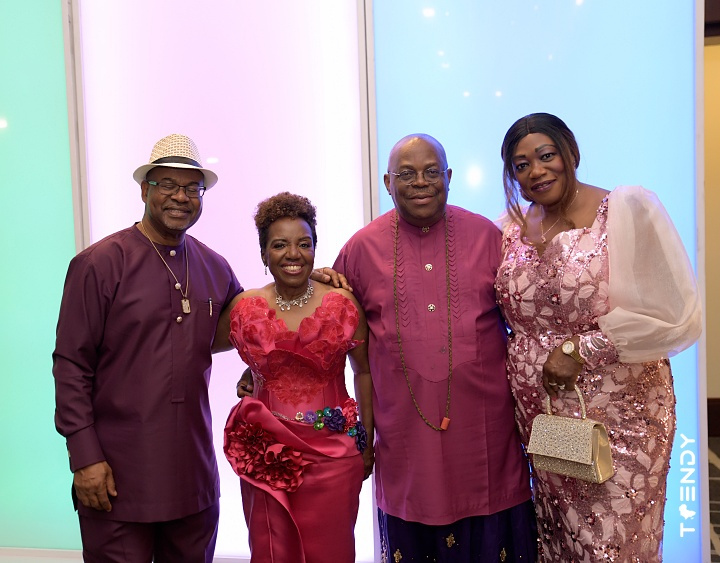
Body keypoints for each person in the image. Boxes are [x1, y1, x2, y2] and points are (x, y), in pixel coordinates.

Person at [495, 112, 702, 562]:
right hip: (544, 417)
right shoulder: (510, 229)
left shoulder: (624, 211)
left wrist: (580, 348)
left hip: (620, 414)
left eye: (546, 155)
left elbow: (674, 315)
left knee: (611, 544)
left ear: (571, 153)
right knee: (560, 541)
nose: (536, 171)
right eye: (521, 165)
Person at [333, 134, 536, 562]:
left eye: (431, 172)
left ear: (449, 177)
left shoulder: (488, 236)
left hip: (486, 438)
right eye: (407, 174)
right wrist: (259, 368)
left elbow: (529, 319)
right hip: (405, 441)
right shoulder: (359, 249)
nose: (421, 182)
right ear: (388, 182)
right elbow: (329, 329)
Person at [52, 134, 244, 561]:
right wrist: (84, 457)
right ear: (144, 190)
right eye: (167, 185)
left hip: (193, 481)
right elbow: (70, 366)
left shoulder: (215, 267)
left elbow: (260, 324)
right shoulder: (100, 264)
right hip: (115, 478)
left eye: (192, 188)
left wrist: (309, 283)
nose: (181, 197)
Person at [217, 192, 374, 562]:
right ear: (263, 254)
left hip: (334, 456)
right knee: (272, 552)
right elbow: (196, 345)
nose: (293, 254)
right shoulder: (244, 308)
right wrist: (252, 370)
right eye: (280, 245)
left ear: (315, 249)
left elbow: (364, 372)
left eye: (304, 244)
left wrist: (367, 444)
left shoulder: (343, 304)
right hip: (266, 458)